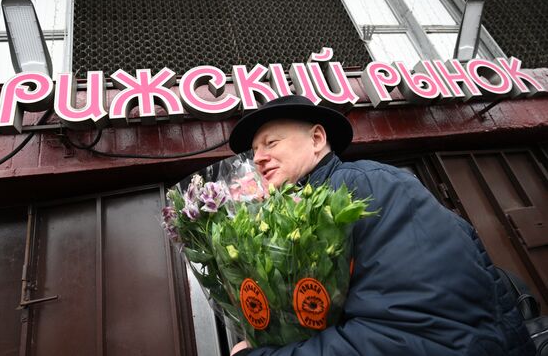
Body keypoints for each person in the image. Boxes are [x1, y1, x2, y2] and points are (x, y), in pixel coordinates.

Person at [227, 95, 536, 356]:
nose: (258, 158)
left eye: (271, 142)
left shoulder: (365, 188)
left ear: (317, 139)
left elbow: (416, 331)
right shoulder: (281, 222)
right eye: (254, 151)